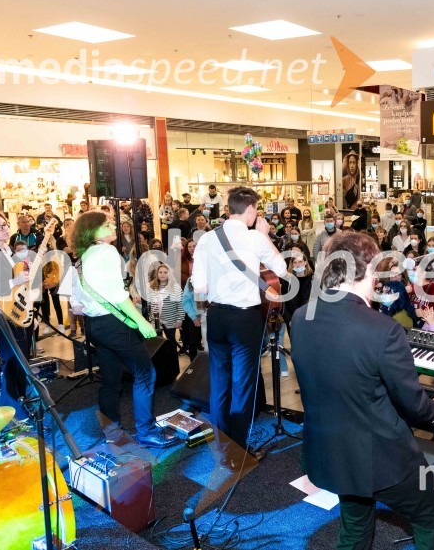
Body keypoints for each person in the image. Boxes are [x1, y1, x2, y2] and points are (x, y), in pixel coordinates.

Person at [290, 231, 434, 549]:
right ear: (368, 269)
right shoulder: (383, 330)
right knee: (428, 514)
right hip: (381, 458)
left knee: (355, 525)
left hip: (331, 453)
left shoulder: (300, 317)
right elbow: (415, 408)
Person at [192, 186, 288, 470]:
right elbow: (281, 269)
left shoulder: (207, 238)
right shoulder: (254, 237)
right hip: (244, 319)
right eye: (256, 209)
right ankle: (237, 452)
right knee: (243, 386)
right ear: (250, 209)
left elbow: (200, 287)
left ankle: (223, 447)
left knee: (220, 383)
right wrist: (265, 235)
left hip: (216, 317)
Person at [69, 211, 177, 448]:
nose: (113, 225)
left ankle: (112, 432)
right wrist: (141, 322)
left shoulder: (81, 259)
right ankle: (146, 432)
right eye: (106, 223)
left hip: (95, 326)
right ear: (93, 231)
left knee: (110, 381)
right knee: (145, 373)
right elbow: (118, 296)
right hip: (115, 325)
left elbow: (76, 306)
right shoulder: (106, 252)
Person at [0, 213, 39, 419]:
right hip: (1, 316)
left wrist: (30, 310)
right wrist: (14, 281)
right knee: (13, 365)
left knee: (21, 364)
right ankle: (13, 414)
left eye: (5, 224)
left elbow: (18, 288)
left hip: (18, 313)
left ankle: (18, 408)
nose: (5, 228)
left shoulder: (7, 250)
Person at [146, 263, 184, 348]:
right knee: (157, 344)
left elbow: (180, 305)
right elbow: (149, 303)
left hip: (170, 321)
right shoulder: (152, 287)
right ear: (157, 273)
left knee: (171, 344)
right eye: (160, 272)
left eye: (165, 272)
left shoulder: (175, 287)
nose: (162, 274)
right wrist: (149, 317)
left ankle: (172, 356)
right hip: (155, 321)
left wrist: (180, 319)